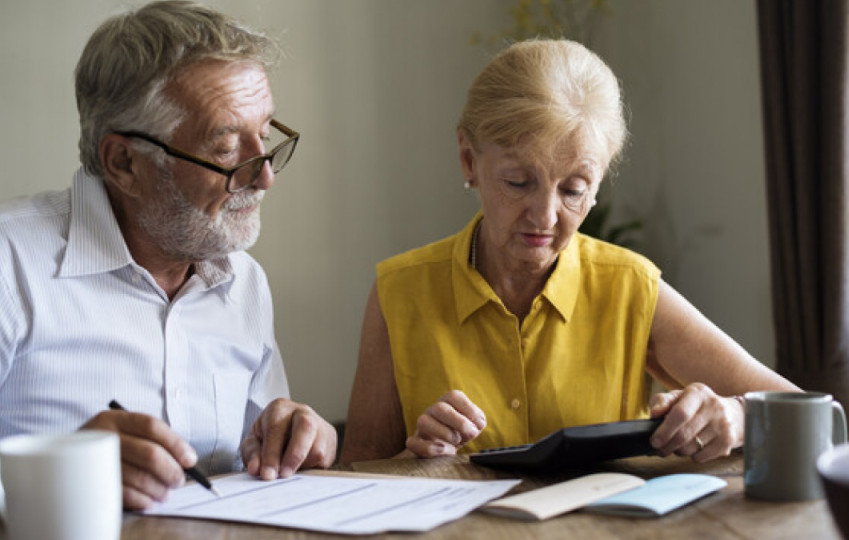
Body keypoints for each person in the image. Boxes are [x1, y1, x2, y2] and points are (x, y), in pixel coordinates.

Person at [340, 39, 800, 465]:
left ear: (598, 184)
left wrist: (739, 417)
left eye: (574, 190)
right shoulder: (399, 292)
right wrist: (413, 462)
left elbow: (813, 417)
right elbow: (354, 479)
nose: (544, 217)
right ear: (468, 159)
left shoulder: (629, 289)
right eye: (518, 183)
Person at [0, 1, 336, 509]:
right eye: (226, 149)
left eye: (264, 137)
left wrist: (300, 441)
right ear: (124, 163)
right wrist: (65, 476)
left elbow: (262, 463)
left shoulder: (242, 280)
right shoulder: (10, 264)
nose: (263, 175)